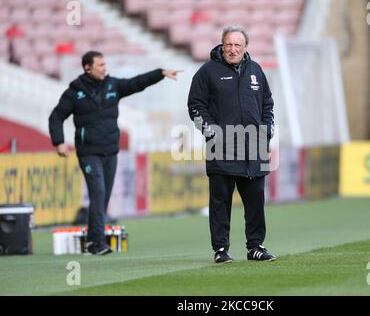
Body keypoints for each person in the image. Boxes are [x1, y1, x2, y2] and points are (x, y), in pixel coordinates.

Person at [49, 51, 181, 255]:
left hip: (110, 151)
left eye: (105, 64)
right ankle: (96, 242)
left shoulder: (113, 85)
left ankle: (95, 240)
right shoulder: (74, 92)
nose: (105, 68)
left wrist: (160, 73)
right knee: (98, 193)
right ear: (87, 68)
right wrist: (59, 142)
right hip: (88, 152)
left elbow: (136, 83)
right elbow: (56, 117)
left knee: (103, 197)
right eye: (100, 65)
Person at [187, 26, 277, 263]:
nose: (233, 49)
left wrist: (267, 130)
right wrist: (210, 130)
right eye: (229, 44)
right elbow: (195, 105)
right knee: (220, 203)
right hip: (222, 149)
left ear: (245, 47)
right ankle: (220, 250)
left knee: (256, 202)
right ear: (222, 45)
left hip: (254, 149)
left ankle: (255, 247)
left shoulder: (256, 70)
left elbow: (267, 103)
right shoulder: (207, 72)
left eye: (238, 45)